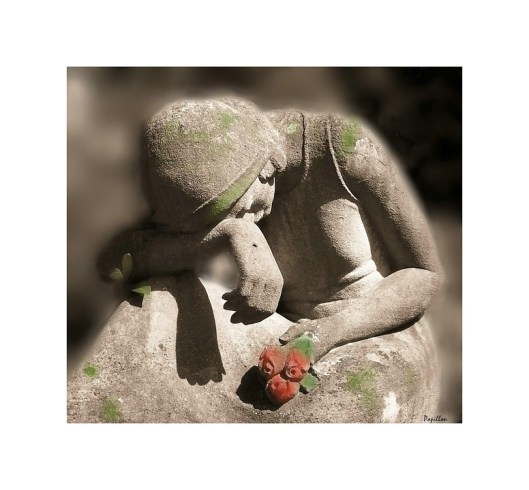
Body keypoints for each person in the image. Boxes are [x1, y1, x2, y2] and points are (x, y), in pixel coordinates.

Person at [98, 96, 443, 364]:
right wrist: (232, 234)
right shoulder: (207, 166)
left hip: (374, 337)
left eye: (238, 209)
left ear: (265, 168)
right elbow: (117, 264)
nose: (245, 219)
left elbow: (424, 274)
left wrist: (330, 332)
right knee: (154, 306)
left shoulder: (343, 148)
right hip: (276, 338)